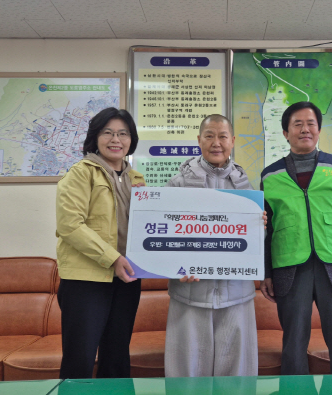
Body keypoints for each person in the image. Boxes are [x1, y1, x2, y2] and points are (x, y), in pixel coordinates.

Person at [259, 101, 332, 375]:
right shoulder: (270, 175)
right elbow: (266, 229)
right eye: (297, 124)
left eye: (311, 123)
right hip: (290, 269)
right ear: (286, 133)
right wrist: (266, 273)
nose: (305, 129)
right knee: (293, 344)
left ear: (319, 130)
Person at [164, 114, 259, 377]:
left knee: (236, 375)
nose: (216, 143)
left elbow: (254, 243)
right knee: (187, 375)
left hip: (237, 294)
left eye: (222, 136)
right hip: (190, 294)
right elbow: (163, 236)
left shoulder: (246, 186)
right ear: (199, 140)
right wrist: (175, 268)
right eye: (209, 136)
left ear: (233, 141)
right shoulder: (177, 184)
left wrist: (259, 225)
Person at [55, 107, 145, 379]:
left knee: (117, 356)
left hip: (127, 278)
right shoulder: (81, 173)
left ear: (131, 140)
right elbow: (70, 225)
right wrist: (112, 258)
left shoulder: (136, 179)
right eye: (108, 132)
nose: (116, 139)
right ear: (95, 137)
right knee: (79, 359)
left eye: (123, 133)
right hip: (86, 280)